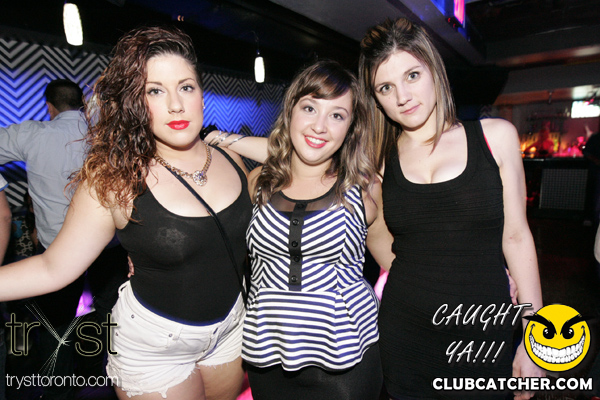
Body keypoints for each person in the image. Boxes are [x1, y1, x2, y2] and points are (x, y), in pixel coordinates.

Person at [0, 25, 252, 400]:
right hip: (156, 346)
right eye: (155, 91)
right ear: (136, 102)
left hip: (231, 329)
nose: (176, 105)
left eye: (186, 87)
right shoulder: (116, 180)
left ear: (201, 95)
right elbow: (53, 267)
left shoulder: (232, 158)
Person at [358, 18, 544, 399]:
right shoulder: (378, 161)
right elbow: (380, 242)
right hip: (406, 334)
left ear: (433, 69)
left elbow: (517, 237)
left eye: (412, 75)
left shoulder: (495, 137)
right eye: (385, 87)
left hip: (481, 336)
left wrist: (535, 337)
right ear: (375, 98)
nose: (402, 96)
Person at [241, 60, 393, 399]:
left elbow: (398, 264)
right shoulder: (258, 183)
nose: (320, 126)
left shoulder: (363, 191)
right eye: (310, 108)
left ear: (351, 127)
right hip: (267, 354)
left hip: (347, 361)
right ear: (290, 111)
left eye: (337, 115)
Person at [0, 78, 89, 399]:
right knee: (113, 317)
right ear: (82, 103)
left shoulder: (34, 134)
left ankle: (59, 391)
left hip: (57, 250)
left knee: (56, 326)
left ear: (50, 107)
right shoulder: (103, 134)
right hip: (111, 247)